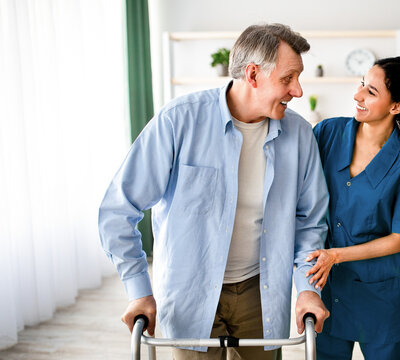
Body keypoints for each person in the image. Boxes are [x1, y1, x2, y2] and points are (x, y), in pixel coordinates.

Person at [98, 23, 330, 360]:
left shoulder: (300, 135)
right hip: (189, 290)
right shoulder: (179, 122)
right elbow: (118, 210)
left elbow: (309, 223)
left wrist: (307, 290)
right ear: (253, 75)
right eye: (287, 78)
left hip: (261, 289)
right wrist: (138, 289)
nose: (296, 91)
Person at [304, 57, 400, 360]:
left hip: (382, 297)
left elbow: (399, 240)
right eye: (361, 84)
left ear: (396, 106)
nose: (357, 95)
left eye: (371, 91)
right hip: (329, 289)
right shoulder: (327, 133)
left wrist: (335, 255)